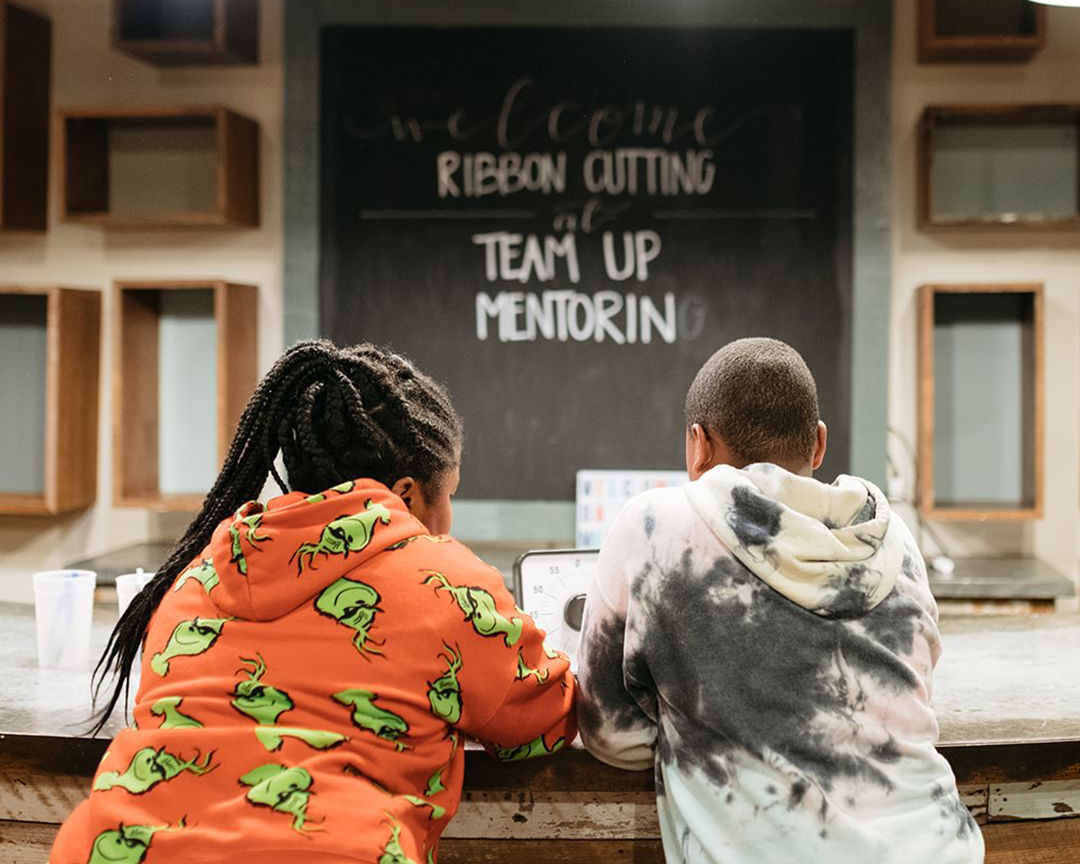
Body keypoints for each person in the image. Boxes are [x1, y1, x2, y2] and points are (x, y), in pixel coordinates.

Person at [52, 340, 575, 864]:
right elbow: (540, 722)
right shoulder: (447, 582)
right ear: (409, 494)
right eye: (451, 493)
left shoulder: (195, 576)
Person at [576, 337, 983, 864]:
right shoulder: (892, 538)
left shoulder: (655, 526)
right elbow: (917, 691)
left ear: (697, 444)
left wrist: (699, 731)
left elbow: (607, 731)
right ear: (817, 444)